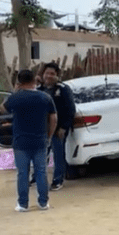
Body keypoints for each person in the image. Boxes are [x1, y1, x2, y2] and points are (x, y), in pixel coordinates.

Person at [2, 69, 57, 212]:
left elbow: (2, 108)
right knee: (41, 172)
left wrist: (15, 90)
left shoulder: (15, 98)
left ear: (19, 82)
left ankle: (22, 204)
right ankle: (43, 203)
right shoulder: (45, 97)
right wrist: (49, 135)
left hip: (20, 141)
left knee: (22, 173)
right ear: (35, 80)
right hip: (40, 140)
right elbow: (54, 118)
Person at [36, 62, 75, 191]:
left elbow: (70, 109)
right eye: (47, 73)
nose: (49, 76)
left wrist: (64, 127)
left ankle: (58, 180)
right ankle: (36, 177)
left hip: (58, 129)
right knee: (40, 155)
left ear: (57, 75)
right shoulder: (39, 89)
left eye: (52, 74)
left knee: (58, 155)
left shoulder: (63, 89)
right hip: (42, 129)